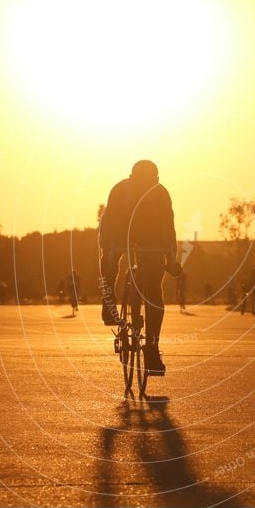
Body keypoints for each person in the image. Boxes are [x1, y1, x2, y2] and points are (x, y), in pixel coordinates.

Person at [98, 160, 180, 376]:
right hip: (120, 234)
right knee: (109, 260)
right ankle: (108, 300)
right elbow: (110, 224)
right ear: (131, 179)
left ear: (156, 181)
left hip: (151, 240)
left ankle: (151, 348)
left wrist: (171, 257)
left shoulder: (160, 194)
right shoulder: (120, 190)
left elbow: (167, 227)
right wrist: (110, 250)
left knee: (153, 290)